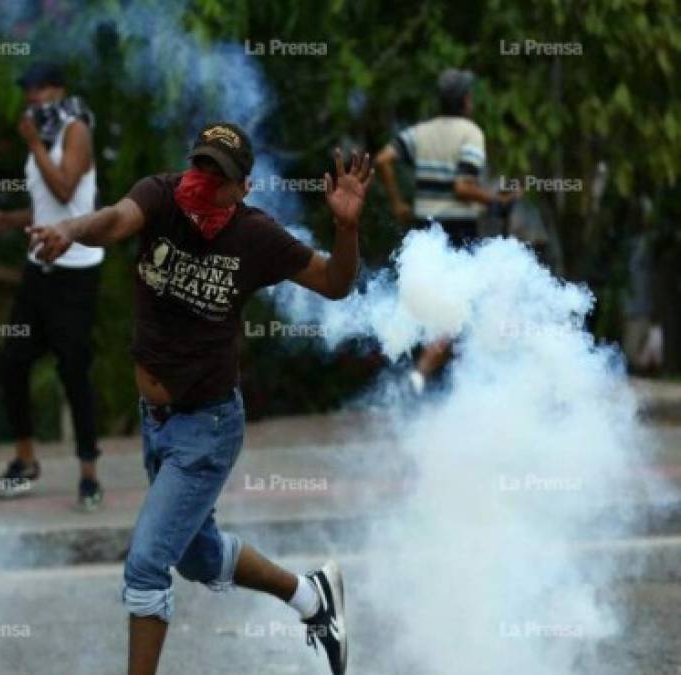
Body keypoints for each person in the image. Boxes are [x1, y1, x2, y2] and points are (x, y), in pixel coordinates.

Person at [28, 122, 372, 675]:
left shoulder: (256, 237)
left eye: (220, 175)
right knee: (196, 554)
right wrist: (70, 228)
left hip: (207, 428)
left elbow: (334, 282)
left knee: (146, 565)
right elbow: (116, 220)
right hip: (156, 421)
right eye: (200, 165)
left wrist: (346, 228)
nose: (203, 181)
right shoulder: (161, 197)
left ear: (242, 188)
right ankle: (312, 597)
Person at [0, 61, 104, 510]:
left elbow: (68, 190)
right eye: (27, 90)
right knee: (12, 361)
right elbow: (46, 209)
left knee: (73, 370)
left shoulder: (75, 130)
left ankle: (89, 474)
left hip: (75, 269)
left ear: (57, 89)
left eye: (39, 88)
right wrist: (11, 220)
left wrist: (33, 144)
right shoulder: (43, 135)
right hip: (39, 267)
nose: (32, 97)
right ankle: (25, 460)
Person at [375, 68, 516, 393]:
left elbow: (383, 159)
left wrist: (398, 204)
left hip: (425, 231)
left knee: (438, 306)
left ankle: (434, 381)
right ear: (467, 101)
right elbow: (462, 187)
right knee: (459, 311)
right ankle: (422, 375)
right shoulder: (471, 133)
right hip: (457, 232)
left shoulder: (421, 132)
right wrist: (496, 200)